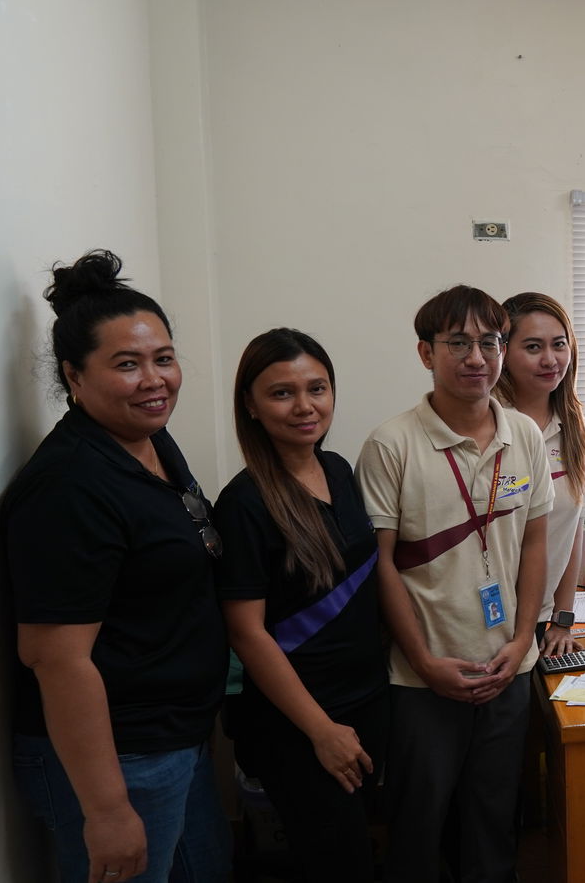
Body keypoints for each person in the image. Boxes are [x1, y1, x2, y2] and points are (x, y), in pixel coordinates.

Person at [2, 249, 230, 883]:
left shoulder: (147, 439)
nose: (155, 380)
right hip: (120, 759)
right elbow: (56, 658)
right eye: (127, 365)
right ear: (74, 377)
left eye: (164, 358)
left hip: (175, 737)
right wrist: (105, 811)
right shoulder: (69, 486)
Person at [356, 285, 552, 882]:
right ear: (426, 352)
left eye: (490, 343)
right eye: (458, 343)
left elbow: (535, 544)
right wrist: (423, 660)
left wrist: (522, 640)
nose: (476, 358)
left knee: (494, 820)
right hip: (423, 678)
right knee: (419, 824)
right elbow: (380, 564)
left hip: (506, 668)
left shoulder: (525, 435)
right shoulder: (392, 444)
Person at [215, 329, 389, 881]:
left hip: (363, 699)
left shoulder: (337, 468)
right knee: (340, 864)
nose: (305, 406)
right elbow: (246, 633)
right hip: (299, 721)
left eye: (317, 388)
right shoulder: (244, 503)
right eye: (281, 393)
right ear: (250, 405)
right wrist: (321, 730)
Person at [495, 292, 585, 657]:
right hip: (486, 620)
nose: (550, 360)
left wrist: (563, 620)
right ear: (503, 353)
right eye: (533, 347)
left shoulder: (576, 430)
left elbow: (572, 529)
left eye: (559, 344)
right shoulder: (487, 426)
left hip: (538, 617)